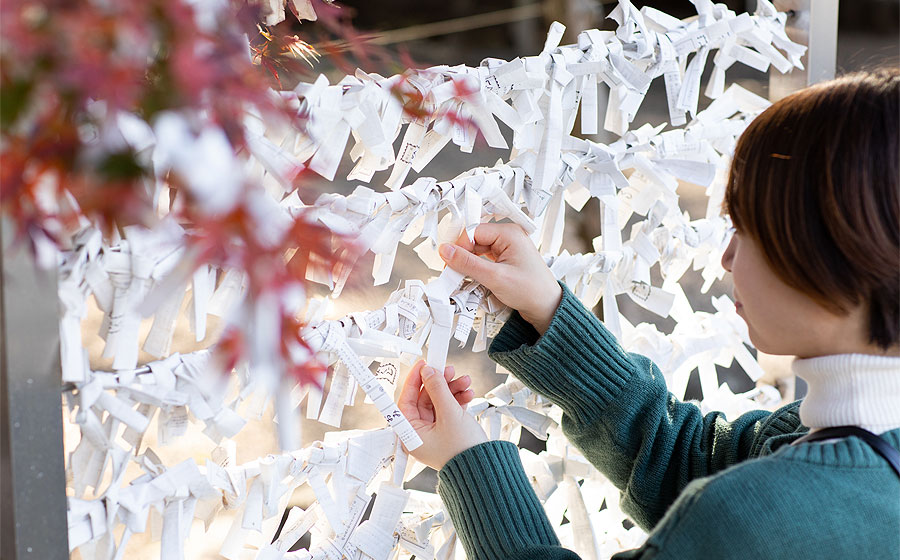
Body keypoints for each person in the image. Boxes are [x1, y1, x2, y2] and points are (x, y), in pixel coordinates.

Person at [397, 68, 900, 559]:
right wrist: (549, 309)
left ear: (842, 251)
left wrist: (469, 464)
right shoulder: (835, 443)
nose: (726, 259)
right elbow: (689, 460)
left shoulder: (750, 519)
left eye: (748, 229)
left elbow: (731, 510)